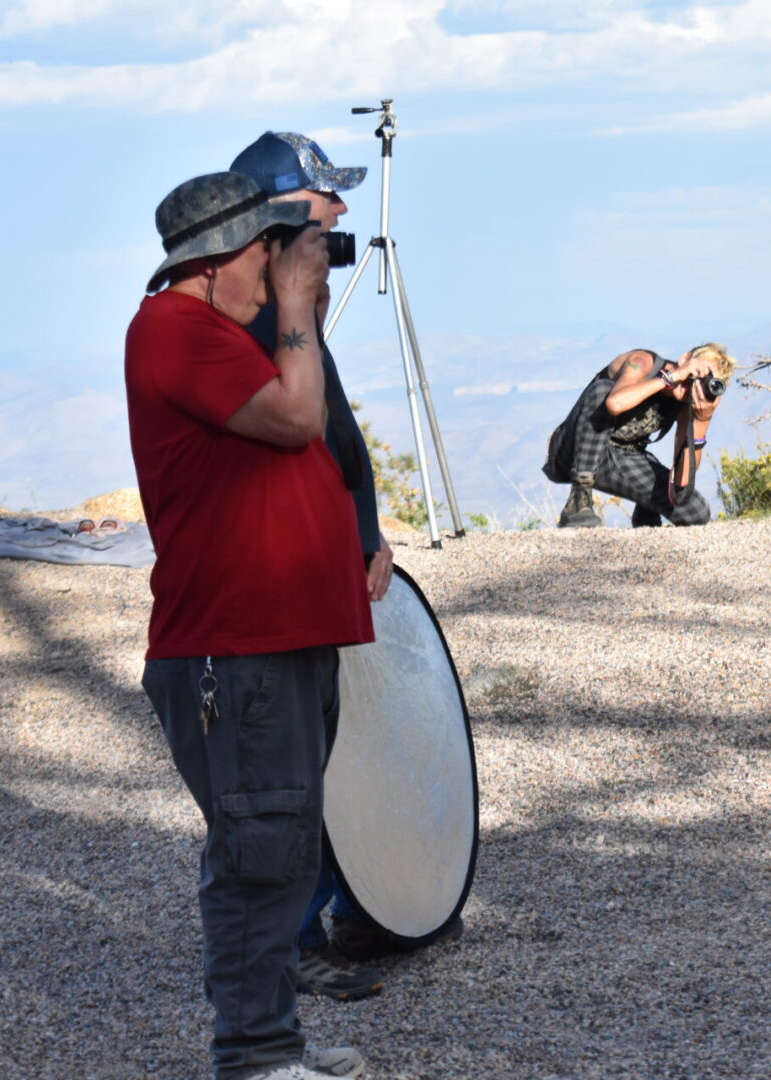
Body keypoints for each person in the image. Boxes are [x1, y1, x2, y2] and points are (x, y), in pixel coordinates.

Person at [127, 170, 373, 1080]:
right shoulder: (174, 330)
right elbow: (299, 416)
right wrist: (301, 307)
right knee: (259, 854)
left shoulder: (219, 333)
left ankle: (274, 1042)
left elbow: (328, 437)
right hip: (237, 649)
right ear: (226, 255)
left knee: (283, 845)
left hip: (282, 640)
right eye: (269, 257)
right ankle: (257, 1059)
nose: (276, 277)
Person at [227, 131, 463, 1003]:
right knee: (284, 773)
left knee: (323, 755)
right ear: (284, 209)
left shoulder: (290, 305)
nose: (344, 215)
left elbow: (337, 440)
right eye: (327, 200)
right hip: (273, 584)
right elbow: (290, 434)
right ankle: (289, 943)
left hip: (319, 570)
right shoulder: (248, 317)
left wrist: (365, 530)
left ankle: (348, 909)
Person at [544, 344, 735, 527]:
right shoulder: (643, 363)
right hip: (572, 451)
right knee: (602, 391)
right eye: (698, 372)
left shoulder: (685, 402)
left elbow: (682, 480)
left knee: (695, 512)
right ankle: (578, 499)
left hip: (620, 459)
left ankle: (646, 510)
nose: (695, 383)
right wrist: (671, 378)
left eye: (707, 381)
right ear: (685, 359)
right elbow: (615, 404)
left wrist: (702, 420)